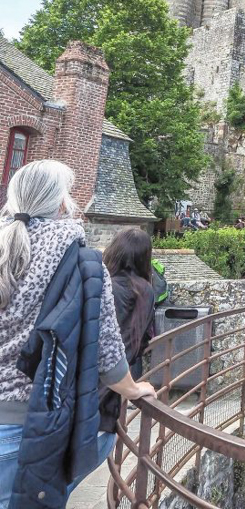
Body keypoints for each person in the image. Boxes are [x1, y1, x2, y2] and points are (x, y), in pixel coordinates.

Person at [0, 160, 155, 509]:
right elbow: (106, 349)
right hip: (24, 423)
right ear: (60, 204)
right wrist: (133, 389)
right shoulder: (81, 262)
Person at [99, 228, 156, 440]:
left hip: (88, 378)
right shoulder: (146, 290)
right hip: (116, 376)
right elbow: (140, 340)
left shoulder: (102, 282)